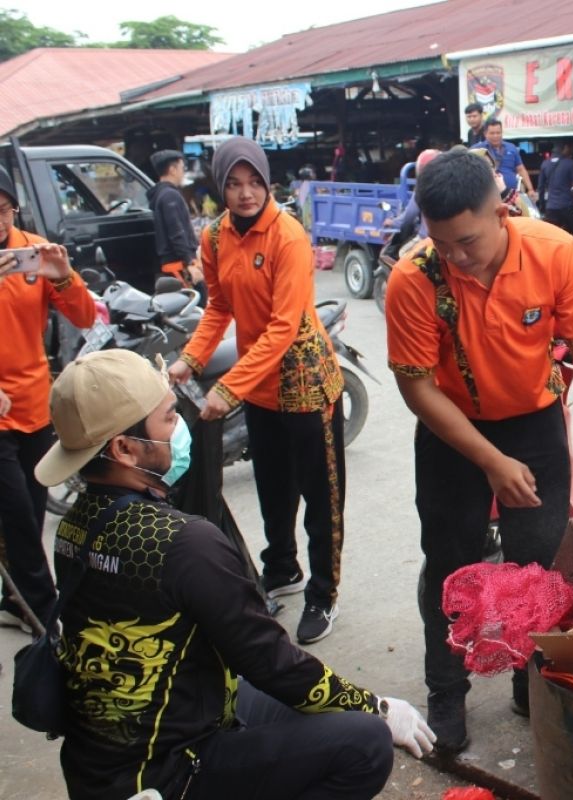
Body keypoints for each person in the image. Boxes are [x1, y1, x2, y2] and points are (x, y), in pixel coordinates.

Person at [34, 350, 434, 800]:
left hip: (97, 763)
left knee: (275, 699)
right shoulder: (184, 543)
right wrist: (377, 708)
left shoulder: (74, 526)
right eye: (168, 419)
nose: (181, 428)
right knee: (364, 743)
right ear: (124, 449)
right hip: (164, 774)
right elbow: (272, 661)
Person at [385, 149, 573, 753]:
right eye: (442, 244)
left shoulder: (554, 252)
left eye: (467, 240)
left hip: (535, 425)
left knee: (539, 563)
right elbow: (417, 387)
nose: (456, 256)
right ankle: (447, 688)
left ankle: (532, 677)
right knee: (451, 564)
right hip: (453, 435)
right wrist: (491, 463)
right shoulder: (415, 279)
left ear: (501, 209)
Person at [167, 137, 347, 645]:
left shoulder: (287, 235)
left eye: (254, 183)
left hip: (306, 382)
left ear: (267, 183)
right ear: (220, 185)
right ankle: (283, 567)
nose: (245, 194)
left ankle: (323, 593)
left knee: (321, 497)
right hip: (258, 381)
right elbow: (217, 309)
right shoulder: (216, 235)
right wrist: (190, 360)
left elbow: (284, 326)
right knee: (272, 488)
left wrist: (228, 387)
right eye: (233, 183)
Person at [0, 165, 96, 632]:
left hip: (33, 405)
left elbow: (81, 316)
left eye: (3, 209)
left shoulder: (32, 252)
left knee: (32, 511)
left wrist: (63, 276)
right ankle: (42, 609)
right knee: (16, 514)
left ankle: (12, 598)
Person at [148, 149, 203, 298]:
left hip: (172, 265)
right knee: (195, 308)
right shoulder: (170, 195)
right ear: (172, 170)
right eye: (181, 168)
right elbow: (176, 232)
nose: (182, 172)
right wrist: (190, 262)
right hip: (179, 265)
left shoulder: (160, 194)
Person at [471, 119, 535, 199]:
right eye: (492, 133)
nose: (495, 136)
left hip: (513, 196)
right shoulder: (477, 150)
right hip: (489, 197)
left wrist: (530, 189)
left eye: (498, 133)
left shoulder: (511, 147)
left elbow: (521, 169)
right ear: (485, 134)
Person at [537, 142, 573, 235]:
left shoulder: (545, 164)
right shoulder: (570, 163)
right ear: (565, 148)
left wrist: (542, 206)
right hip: (568, 207)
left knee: (552, 237)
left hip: (551, 208)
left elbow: (540, 187)